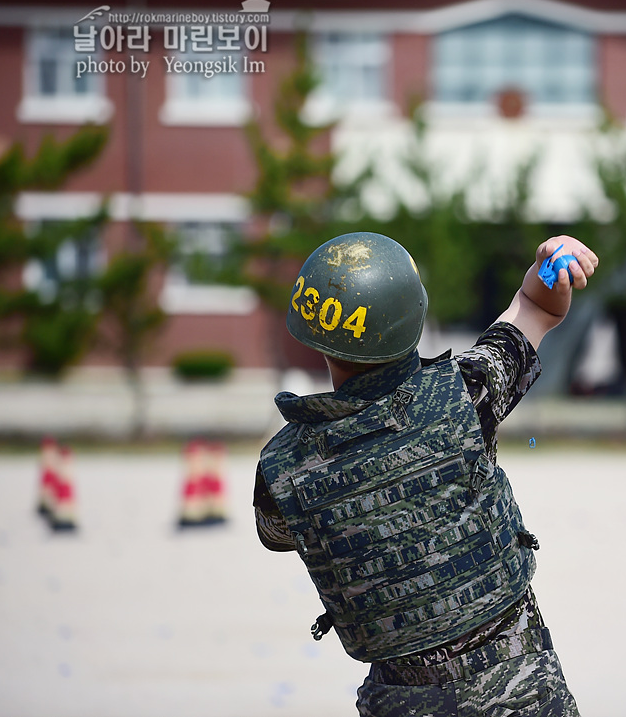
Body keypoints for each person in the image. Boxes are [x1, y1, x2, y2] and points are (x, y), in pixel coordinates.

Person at [254, 232, 597, 717]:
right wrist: (544, 277)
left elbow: (277, 534)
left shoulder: (282, 469)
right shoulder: (465, 395)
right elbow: (533, 314)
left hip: (400, 702)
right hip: (521, 691)